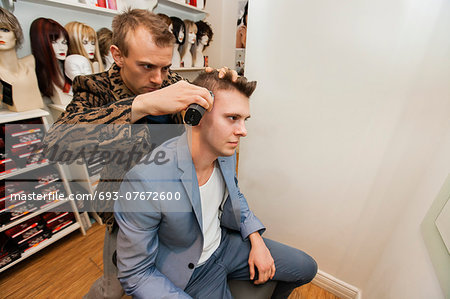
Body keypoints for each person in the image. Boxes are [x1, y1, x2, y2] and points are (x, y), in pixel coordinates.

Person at [43, 8, 231, 299]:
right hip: (126, 209)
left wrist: (220, 86)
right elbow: (59, 143)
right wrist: (139, 106)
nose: (159, 79)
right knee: (113, 288)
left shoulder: (170, 82)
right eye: (146, 66)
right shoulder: (95, 88)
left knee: (166, 276)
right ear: (118, 55)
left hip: (176, 203)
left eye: (165, 68)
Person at [114, 70, 318, 299]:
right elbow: (135, 273)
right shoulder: (145, 180)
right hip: (192, 269)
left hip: (225, 245)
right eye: (232, 118)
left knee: (306, 267)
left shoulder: (225, 153)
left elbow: (235, 195)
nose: (243, 131)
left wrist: (256, 240)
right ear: (196, 116)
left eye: (244, 120)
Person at [0, 7, 44, 112]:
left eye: (5, 30)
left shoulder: (31, 61)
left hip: (39, 116)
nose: (0, 35)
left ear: (16, 35)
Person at [29, 17, 72, 105]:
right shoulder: (35, 72)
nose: (62, 48)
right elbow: (63, 101)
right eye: (54, 42)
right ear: (40, 42)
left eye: (64, 42)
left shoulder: (63, 68)